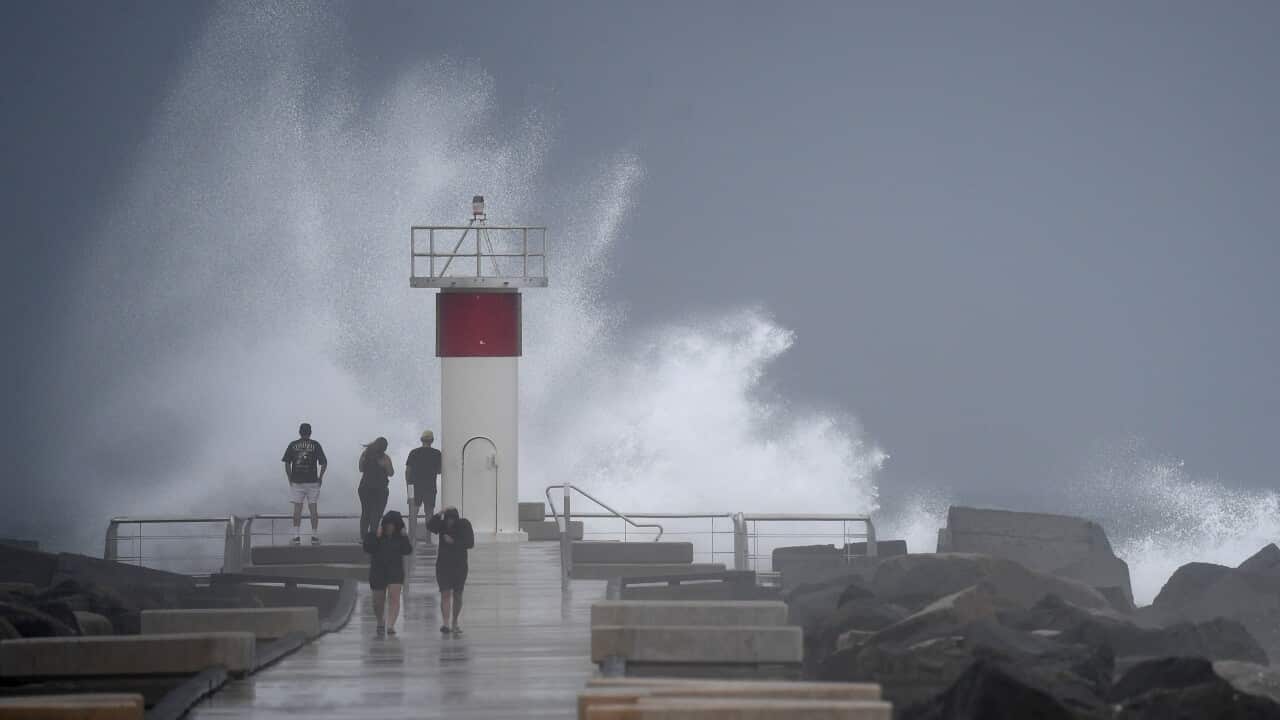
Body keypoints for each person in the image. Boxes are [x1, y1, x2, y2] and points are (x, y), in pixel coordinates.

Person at [362, 510, 412, 637]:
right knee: (377, 601)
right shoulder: (374, 535)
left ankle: (390, 625)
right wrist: (377, 537)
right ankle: (380, 621)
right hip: (378, 571)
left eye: (393, 525)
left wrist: (405, 535)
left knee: (394, 597)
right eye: (388, 524)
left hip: (395, 571)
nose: (390, 527)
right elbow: (367, 548)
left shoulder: (400, 538)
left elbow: (407, 550)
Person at [427, 506, 474, 635]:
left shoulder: (464, 525)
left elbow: (470, 543)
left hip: (459, 566)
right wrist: (440, 513)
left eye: (452, 519)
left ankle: (455, 621)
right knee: (445, 594)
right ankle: (446, 623)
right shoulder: (442, 525)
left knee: (458, 595)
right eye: (448, 519)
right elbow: (430, 526)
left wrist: (453, 542)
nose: (450, 522)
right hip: (443, 565)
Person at [281, 423, 328, 546]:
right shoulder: (315, 445)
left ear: (299, 432)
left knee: (297, 509)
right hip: (312, 481)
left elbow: (286, 462)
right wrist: (320, 477)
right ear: (310, 432)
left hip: (297, 482)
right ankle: (314, 537)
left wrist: (289, 477)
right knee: (313, 509)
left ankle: (296, 537)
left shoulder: (293, 445)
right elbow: (324, 463)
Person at [404, 430, 442, 544]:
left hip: (414, 486)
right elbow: (439, 471)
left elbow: (407, 471)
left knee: (413, 512)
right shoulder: (437, 453)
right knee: (429, 512)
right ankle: (428, 538)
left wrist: (408, 487)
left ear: (421, 440)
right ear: (432, 440)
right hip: (430, 486)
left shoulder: (413, 452)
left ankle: (412, 537)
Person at [357, 437, 394, 539]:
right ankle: (373, 537)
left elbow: (360, 468)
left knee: (365, 512)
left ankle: (363, 537)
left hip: (364, 488)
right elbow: (391, 473)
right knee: (376, 514)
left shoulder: (365, 454)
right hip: (380, 489)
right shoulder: (385, 458)